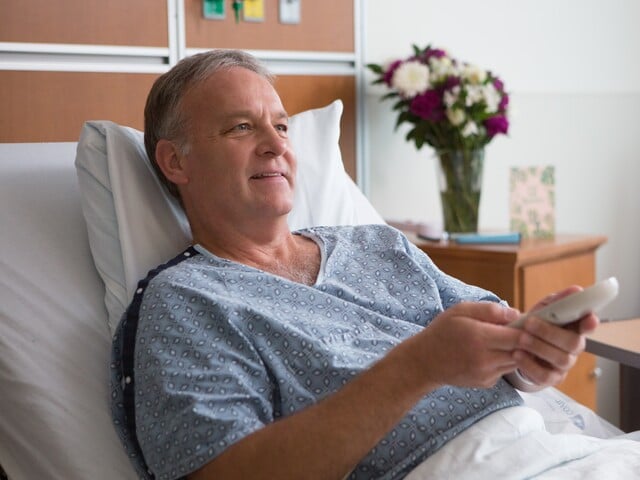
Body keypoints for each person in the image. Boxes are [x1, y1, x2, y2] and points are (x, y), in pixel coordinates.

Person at [110, 49, 597, 480]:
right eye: (241, 127)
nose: (277, 144)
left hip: (552, 450)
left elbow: (504, 349)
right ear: (175, 162)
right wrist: (418, 366)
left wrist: (536, 349)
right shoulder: (187, 302)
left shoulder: (378, 244)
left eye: (281, 126)